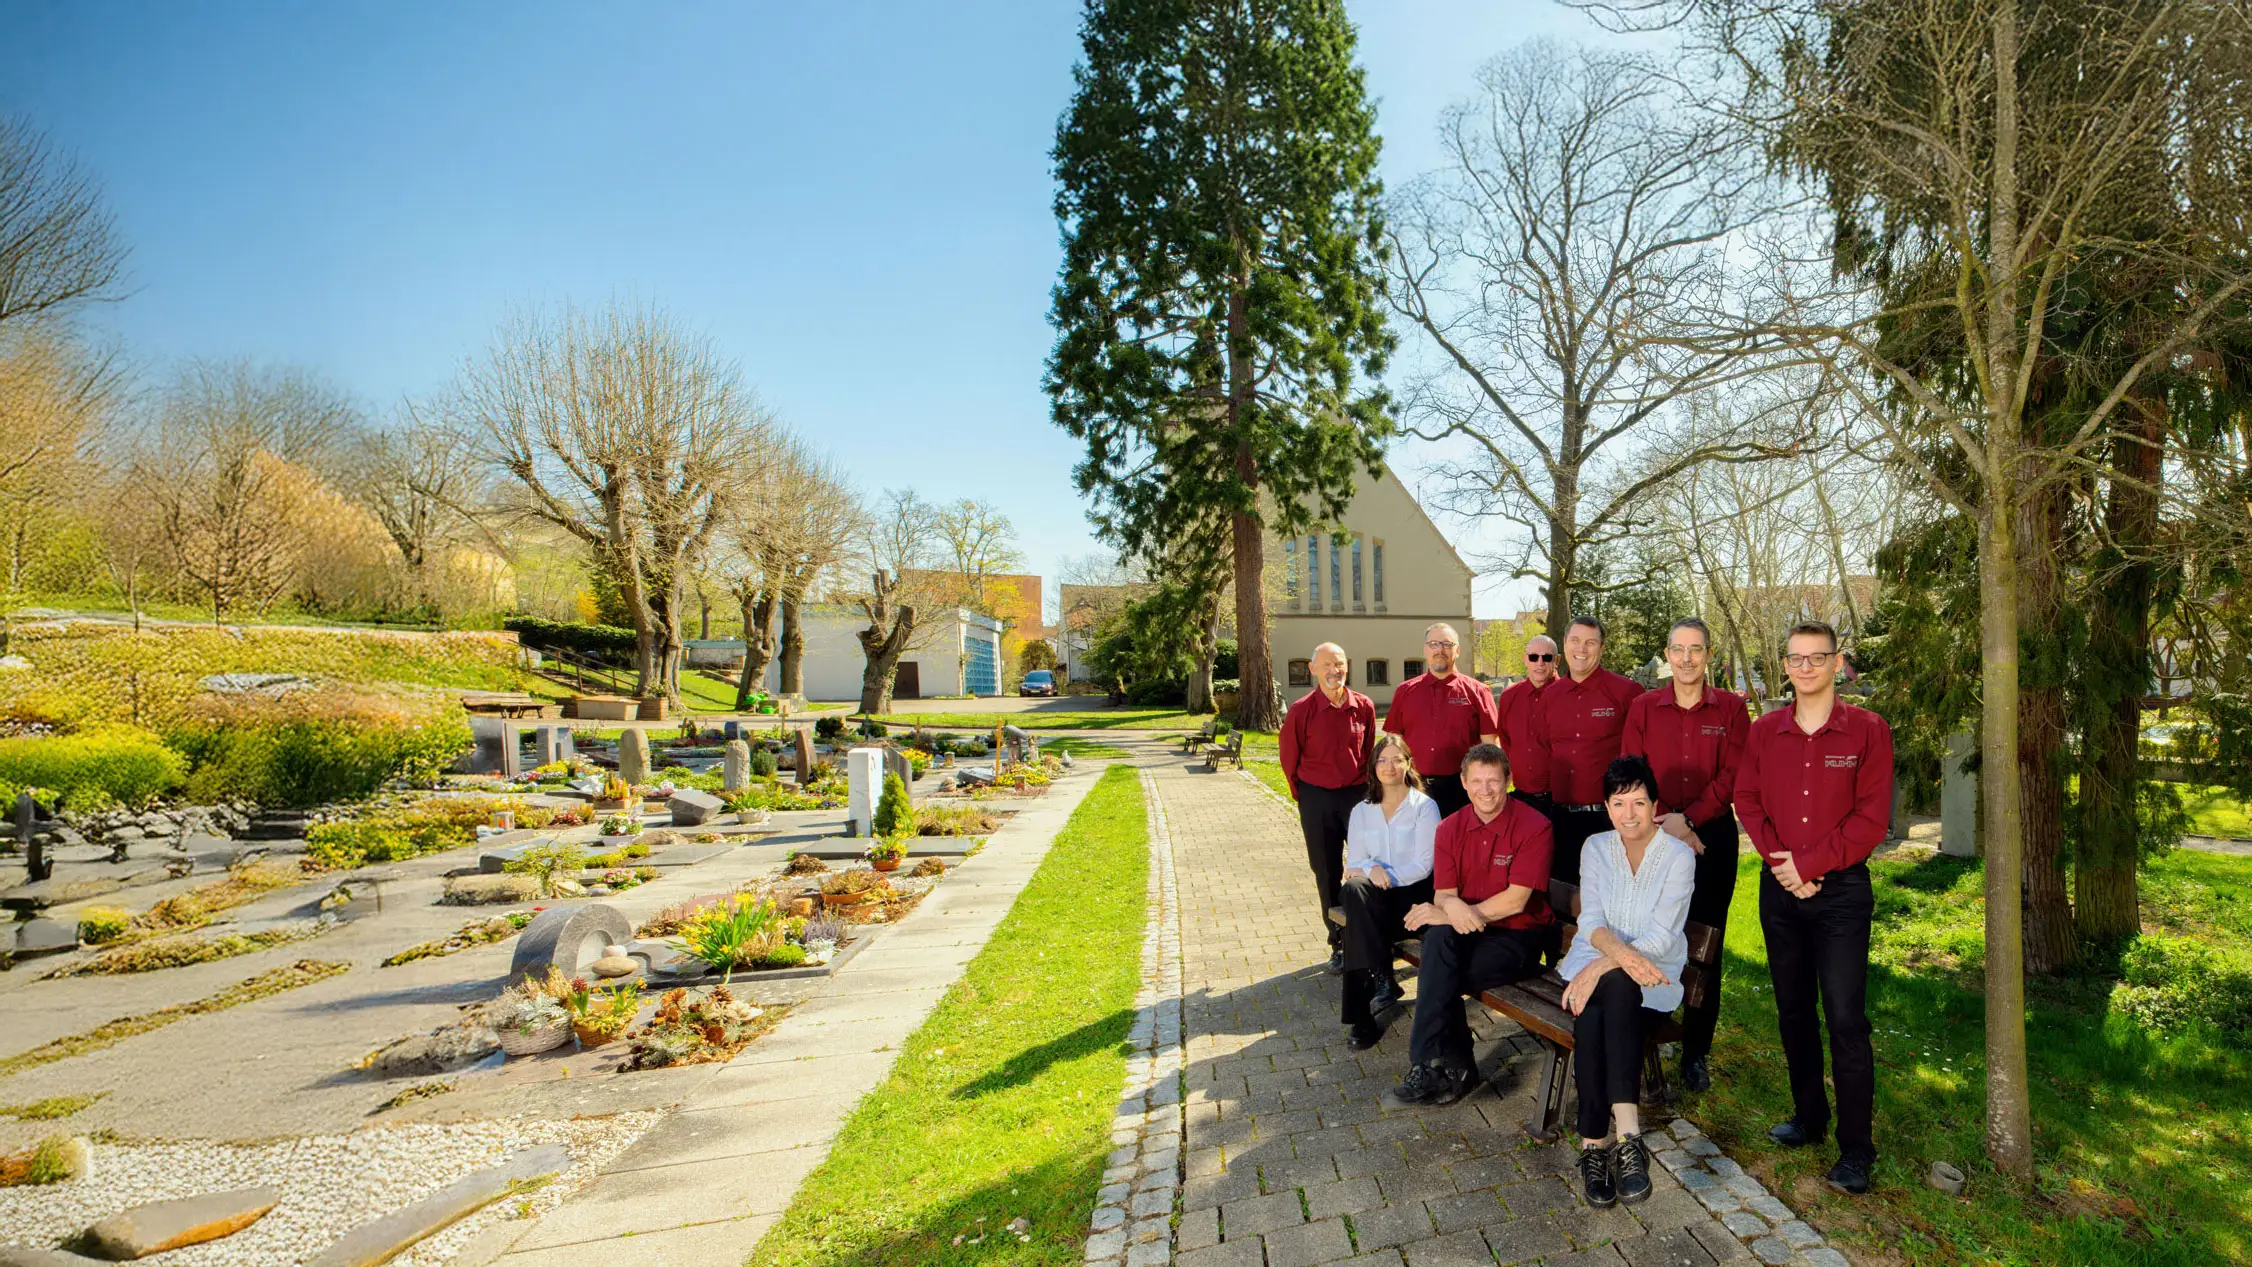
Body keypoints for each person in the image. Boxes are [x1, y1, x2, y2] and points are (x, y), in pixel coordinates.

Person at [1734, 621, 1894, 1196]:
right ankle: (1809, 1117)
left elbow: (1872, 820)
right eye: (1795, 659)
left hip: (1841, 896)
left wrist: (1810, 865)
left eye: (1816, 657)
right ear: (1784, 666)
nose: (1805, 668)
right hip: (1780, 891)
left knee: (1847, 1020)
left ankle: (1856, 1148)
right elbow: (1746, 798)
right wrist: (1784, 866)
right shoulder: (1765, 731)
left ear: (1837, 663)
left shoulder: (1869, 731)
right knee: (1794, 1010)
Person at [1383, 742, 1554, 1108]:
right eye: (1476, 781)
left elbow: (1515, 901)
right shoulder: (1449, 827)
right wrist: (1446, 910)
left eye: (1493, 781)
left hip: (1517, 937)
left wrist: (1445, 912)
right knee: (1440, 942)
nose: (1485, 790)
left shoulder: (1535, 826)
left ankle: (1436, 1065)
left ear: (1508, 781)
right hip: (1467, 934)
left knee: (1438, 970)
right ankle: (1446, 1066)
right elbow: (1445, 893)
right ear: (1462, 782)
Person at [1558, 755, 1695, 1209]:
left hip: (1653, 969)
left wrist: (1599, 965)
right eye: (1619, 803)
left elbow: (1660, 936)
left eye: (1639, 802)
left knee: (1609, 991)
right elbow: (1592, 920)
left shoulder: (1677, 856)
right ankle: (1628, 1139)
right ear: (1606, 806)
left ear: (1656, 804)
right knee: (1608, 995)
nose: (1629, 814)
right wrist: (1602, 962)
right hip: (1600, 960)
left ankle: (1593, 1143)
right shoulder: (1595, 847)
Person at [1620, 617, 1749, 1092]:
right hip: (1651, 836)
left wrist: (1689, 821)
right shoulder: (1644, 707)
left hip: (1712, 840)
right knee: (1649, 934)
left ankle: (1696, 1051)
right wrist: (1668, 821)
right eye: (1679, 649)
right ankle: (1645, 1033)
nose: (1687, 659)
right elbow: (1632, 769)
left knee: (1705, 945)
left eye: (1696, 649)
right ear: (1667, 655)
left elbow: (1733, 775)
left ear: (1709, 655)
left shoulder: (1733, 709)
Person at [1337, 734, 1440, 1050]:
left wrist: (1385, 876)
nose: (1389, 766)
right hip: (1372, 899)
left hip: (1411, 901)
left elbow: (1425, 864)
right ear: (1373, 766)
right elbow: (1354, 863)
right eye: (1382, 759)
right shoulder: (1361, 810)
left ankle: (1364, 1011)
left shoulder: (1424, 807)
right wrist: (1372, 870)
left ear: (1408, 764)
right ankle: (1378, 983)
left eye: (1397, 759)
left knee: (1357, 917)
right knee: (1354, 891)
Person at [1279, 641, 1376, 975]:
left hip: (1356, 798)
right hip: (1316, 798)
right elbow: (1289, 761)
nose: (1335, 671)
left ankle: (1372, 935)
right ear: (1313, 669)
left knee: (1367, 865)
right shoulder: (1301, 711)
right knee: (1327, 871)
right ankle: (1338, 941)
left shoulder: (1363, 706)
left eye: (1340, 665)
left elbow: (1368, 753)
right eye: (1327, 665)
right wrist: (1306, 796)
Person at [1524, 616, 1643, 885]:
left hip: (1611, 820)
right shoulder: (1549, 697)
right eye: (1575, 641)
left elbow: (1642, 756)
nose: (1582, 649)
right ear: (1564, 646)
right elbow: (1544, 750)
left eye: (1590, 642)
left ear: (1602, 648)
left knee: (1615, 897)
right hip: (1561, 819)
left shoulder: (1626, 692)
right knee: (1565, 901)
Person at [1382, 622, 1502, 818]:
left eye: (1447, 644)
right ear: (1425, 649)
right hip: (1414, 788)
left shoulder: (1478, 692)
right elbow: (1392, 744)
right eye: (1434, 644)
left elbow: (1491, 744)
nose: (1440, 650)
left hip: (1462, 790)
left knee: (1461, 846)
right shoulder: (1405, 692)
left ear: (1457, 650)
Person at [1494, 634, 1558, 800]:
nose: (1540, 663)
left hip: (1561, 797)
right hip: (1522, 794)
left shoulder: (1568, 695)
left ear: (1556, 661)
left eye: (1547, 657)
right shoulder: (1510, 696)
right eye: (1533, 657)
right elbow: (1505, 739)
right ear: (1525, 659)